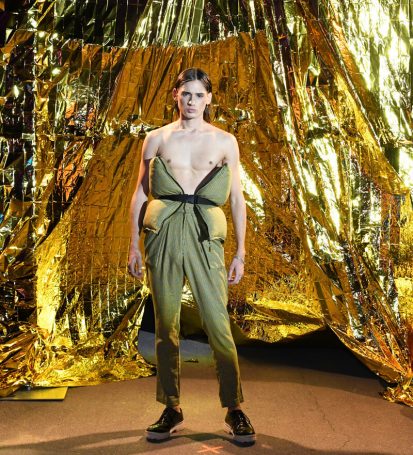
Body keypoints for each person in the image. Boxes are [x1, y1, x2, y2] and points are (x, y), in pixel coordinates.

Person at [128, 67, 255, 444]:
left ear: (209, 99)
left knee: (217, 324)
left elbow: (237, 199)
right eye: (186, 94)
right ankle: (171, 407)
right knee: (166, 325)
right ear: (175, 95)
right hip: (163, 232)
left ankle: (234, 408)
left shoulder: (225, 141)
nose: (192, 101)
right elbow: (140, 193)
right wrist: (133, 244)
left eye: (199, 95)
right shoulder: (156, 138)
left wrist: (240, 252)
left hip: (205, 235)